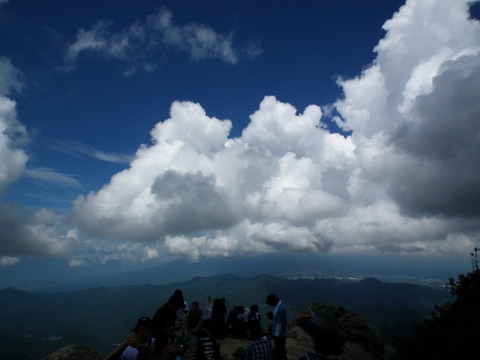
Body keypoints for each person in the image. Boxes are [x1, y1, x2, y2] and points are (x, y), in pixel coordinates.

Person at [265, 293, 287, 360]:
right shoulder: (279, 306)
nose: (270, 305)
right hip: (280, 335)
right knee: (281, 351)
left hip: (279, 336)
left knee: (279, 353)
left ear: (273, 302)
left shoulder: (279, 310)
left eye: (270, 303)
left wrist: (276, 336)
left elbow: (279, 324)